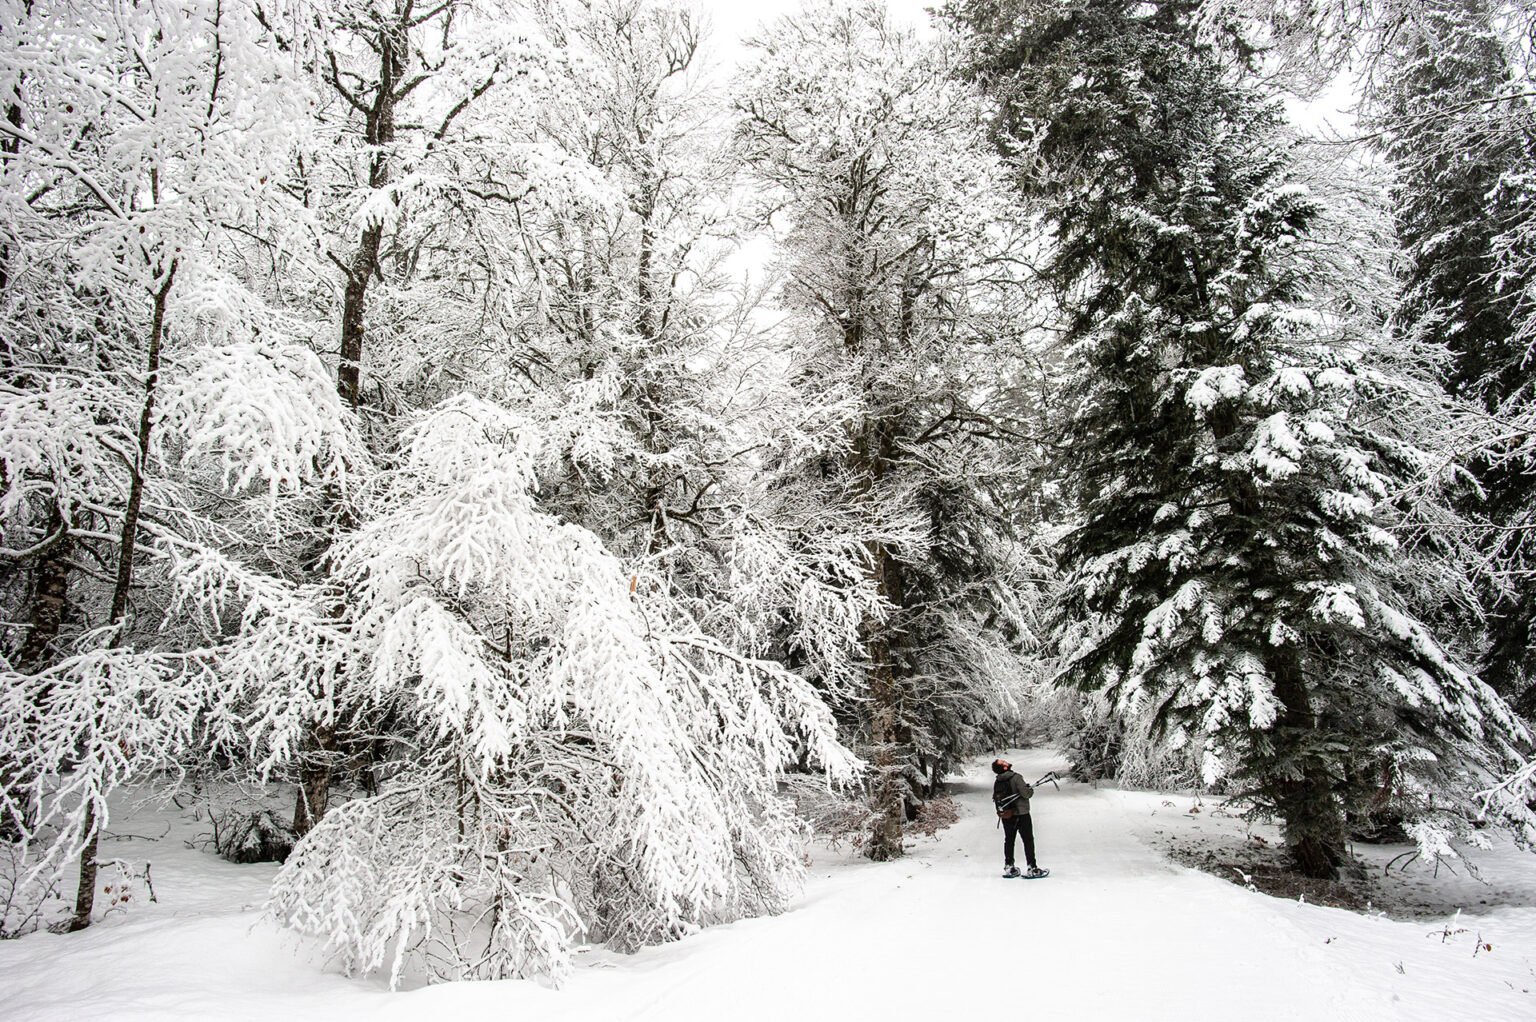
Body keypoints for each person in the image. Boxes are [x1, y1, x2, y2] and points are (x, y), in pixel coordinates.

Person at [992, 758, 1045, 878]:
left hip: (1007, 814)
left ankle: (1009, 866)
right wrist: (1029, 789)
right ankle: (1032, 867)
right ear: (1004, 767)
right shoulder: (1016, 777)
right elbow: (1026, 794)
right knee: (1028, 840)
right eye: (1003, 762)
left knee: (1009, 840)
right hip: (1021, 814)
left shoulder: (998, 781)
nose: (1005, 761)